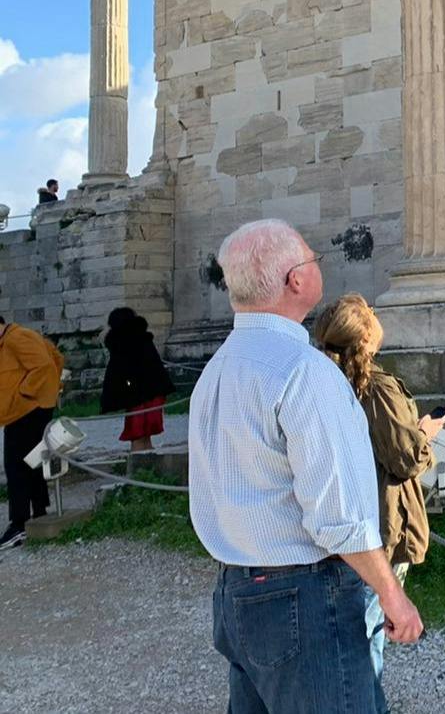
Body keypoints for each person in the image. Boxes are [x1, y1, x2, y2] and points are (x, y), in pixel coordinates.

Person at [189, 219, 422, 713]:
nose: (319, 266)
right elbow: (337, 516)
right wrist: (391, 593)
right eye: (314, 259)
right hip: (304, 592)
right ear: (296, 280)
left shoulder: (216, 369)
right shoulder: (303, 371)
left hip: (235, 586)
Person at [313, 293, 443, 710]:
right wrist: (425, 433)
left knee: (350, 642)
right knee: (367, 644)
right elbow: (405, 459)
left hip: (334, 525)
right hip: (378, 526)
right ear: (368, 338)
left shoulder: (317, 382)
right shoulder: (378, 388)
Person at [0, 314, 66, 550]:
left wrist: (24, 396)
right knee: (33, 462)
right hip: (27, 409)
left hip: (27, 410)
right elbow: (54, 355)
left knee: (15, 466)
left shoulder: (17, 337)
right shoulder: (13, 339)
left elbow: (44, 365)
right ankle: (38, 511)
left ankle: (18, 524)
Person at [100, 307, 176, 452]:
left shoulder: (122, 344)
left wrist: (124, 391)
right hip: (152, 391)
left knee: (138, 434)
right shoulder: (143, 339)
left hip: (138, 395)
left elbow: (121, 372)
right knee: (144, 434)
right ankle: (147, 466)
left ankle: (140, 467)